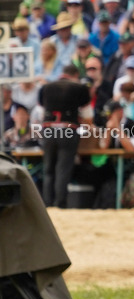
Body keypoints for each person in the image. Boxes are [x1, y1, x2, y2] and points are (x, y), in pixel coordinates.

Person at [38, 65, 91, 208]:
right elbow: (88, 116)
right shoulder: (79, 88)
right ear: (75, 75)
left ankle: (47, 203)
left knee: (48, 169)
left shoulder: (46, 87)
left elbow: (41, 111)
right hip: (68, 130)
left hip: (48, 130)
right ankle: (60, 203)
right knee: (63, 168)